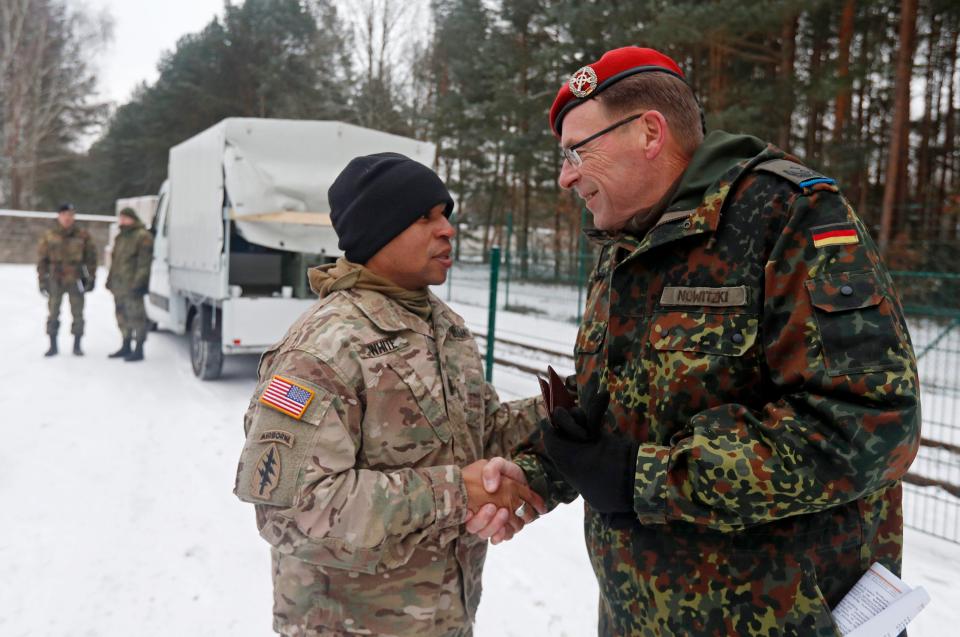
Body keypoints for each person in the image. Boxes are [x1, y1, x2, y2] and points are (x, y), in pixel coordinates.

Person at [473, 46, 921, 636]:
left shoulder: (787, 215)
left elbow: (870, 425)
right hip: (639, 617)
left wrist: (646, 479)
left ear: (649, 133)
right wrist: (540, 472)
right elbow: (617, 405)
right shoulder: (625, 246)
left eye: (577, 151)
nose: (566, 176)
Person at [233, 152, 546, 637]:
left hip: (444, 619)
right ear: (378, 231)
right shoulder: (322, 348)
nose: (447, 230)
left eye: (446, 215)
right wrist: (454, 493)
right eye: (426, 217)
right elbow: (289, 512)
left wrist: (560, 408)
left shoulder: (443, 326)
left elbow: (481, 434)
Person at [37, 202, 98, 357]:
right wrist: (42, 280)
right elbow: (42, 259)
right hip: (55, 279)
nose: (67, 218)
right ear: (59, 216)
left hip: (76, 278)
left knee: (78, 313)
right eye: (64, 215)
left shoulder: (82, 235)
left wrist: (91, 277)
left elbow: (91, 258)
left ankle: (77, 345)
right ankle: (53, 345)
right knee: (53, 313)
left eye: (70, 215)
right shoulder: (49, 235)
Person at [105, 207, 154, 361]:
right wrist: (110, 279)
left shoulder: (142, 236)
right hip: (119, 285)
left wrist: (139, 283)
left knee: (137, 317)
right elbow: (116, 261)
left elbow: (144, 264)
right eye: (121, 218)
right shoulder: (120, 237)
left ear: (133, 218)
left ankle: (139, 348)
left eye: (125, 218)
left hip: (133, 285)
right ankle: (126, 344)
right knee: (121, 316)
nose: (122, 221)